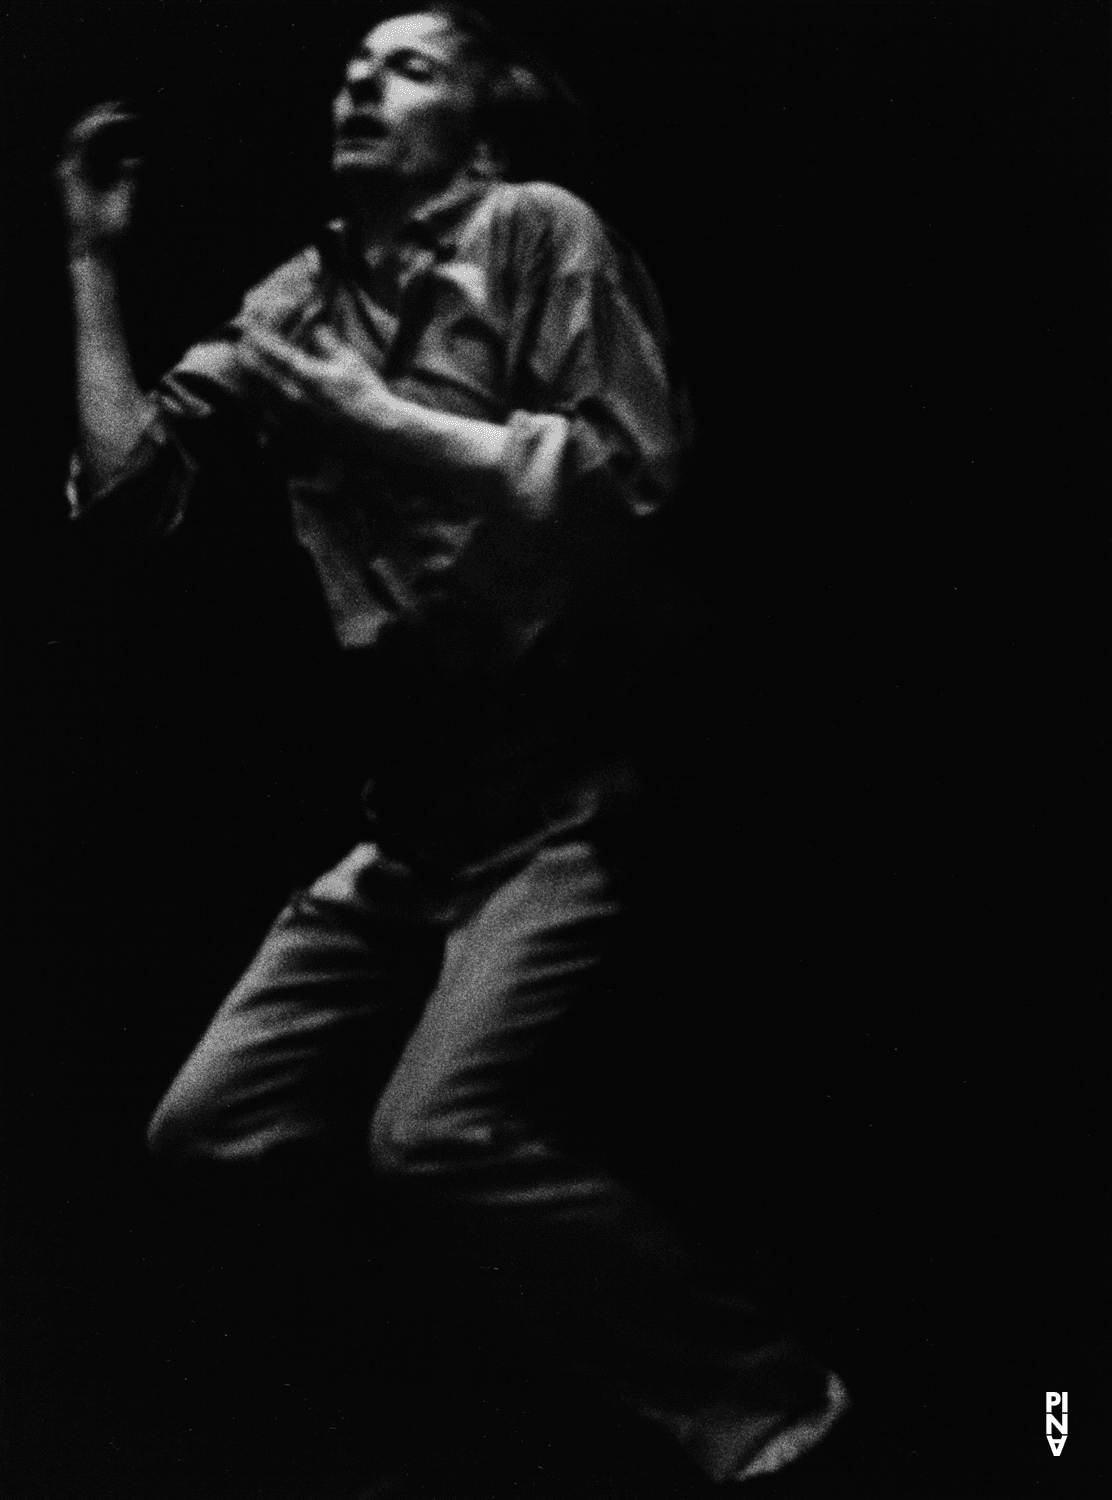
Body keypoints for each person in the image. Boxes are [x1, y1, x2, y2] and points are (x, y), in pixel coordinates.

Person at [56, 4, 849, 1487]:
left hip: (573, 787)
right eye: (355, 63)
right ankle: (478, 1350)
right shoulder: (296, 302)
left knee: (431, 1134)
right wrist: (93, 260)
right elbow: (128, 502)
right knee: (207, 1131)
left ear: (481, 128)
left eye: (408, 64)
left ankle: (775, 1411)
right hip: (415, 819)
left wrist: (373, 420)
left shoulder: (542, 233)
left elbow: (631, 484)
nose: (361, 77)